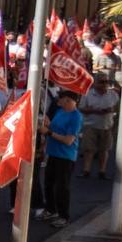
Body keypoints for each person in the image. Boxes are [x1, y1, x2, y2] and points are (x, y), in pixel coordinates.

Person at [41, 90, 82, 227]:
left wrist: (49, 132)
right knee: (48, 183)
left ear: (68, 100)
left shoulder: (76, 117)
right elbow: (53, 128)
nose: (58, 100)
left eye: (61, 98)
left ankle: (63, 215)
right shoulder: (60, 111)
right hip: (53, 153)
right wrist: (47, 124)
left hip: (65, 156)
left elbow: (68, 140)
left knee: (62, 187)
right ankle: (50, 209)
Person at [78, 73, 120, 180]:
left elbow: (118, 108)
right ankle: (86, 170)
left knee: (104, 149)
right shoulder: (87, 94)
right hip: (91, 125)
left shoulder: (113, 95)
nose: (104, 84)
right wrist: (94, 111)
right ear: (95, 83)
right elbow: (81, 108)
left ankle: (102, 171)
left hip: (107, 125)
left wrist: (111, 110)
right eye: (102, 82)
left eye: (106, 82)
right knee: (89, 149)